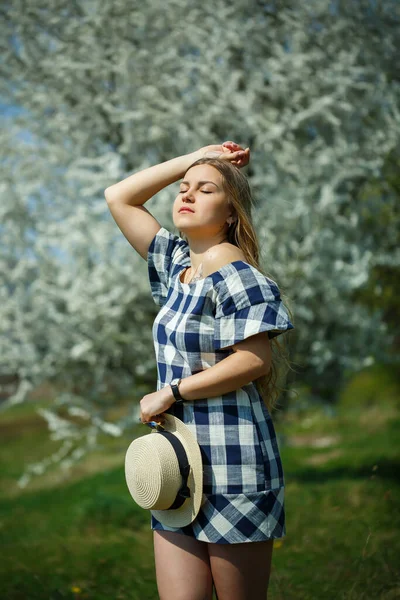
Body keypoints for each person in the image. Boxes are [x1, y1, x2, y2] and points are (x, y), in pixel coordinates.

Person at [105, 141, 294, 600]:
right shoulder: (176, 266)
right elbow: (119, 196)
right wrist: (195, 158)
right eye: (183, 188)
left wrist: (171, 392)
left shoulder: (241, 277)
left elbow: (254, 361)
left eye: (204, 189)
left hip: (235, 460)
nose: (186, 194)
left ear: (231, 212)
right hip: (175, 464)